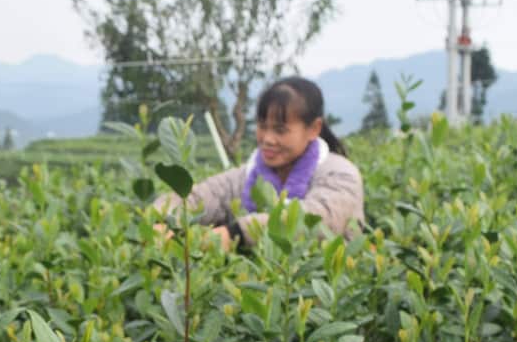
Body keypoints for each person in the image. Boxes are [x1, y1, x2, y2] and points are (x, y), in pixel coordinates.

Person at [153, 76, 365, 250]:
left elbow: (318, 219)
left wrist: (235, 234)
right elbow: (201, 196)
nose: (268, 139)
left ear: (314, 129)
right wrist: (161, 219)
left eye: (280, 130)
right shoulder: (247, 176)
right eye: (262, 126)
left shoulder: (340, 174)